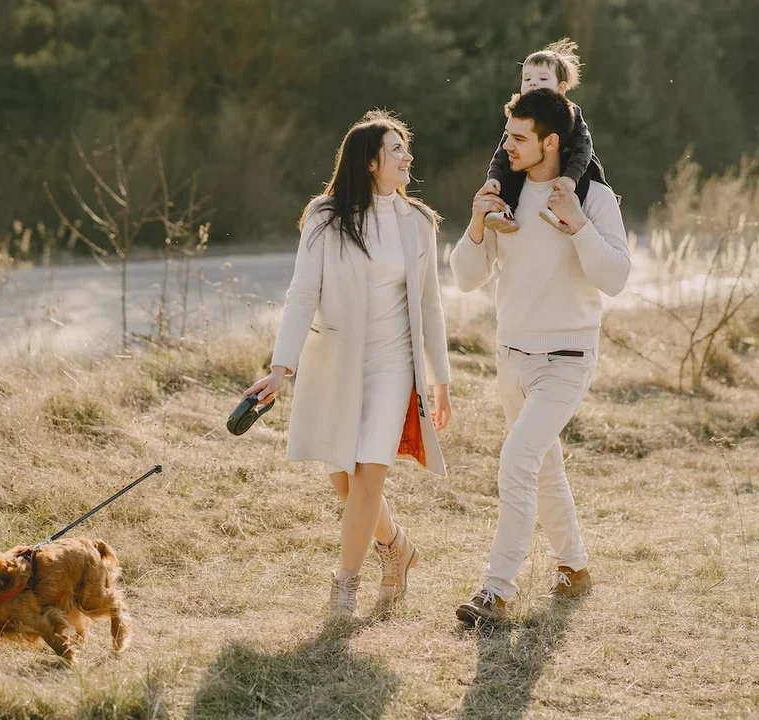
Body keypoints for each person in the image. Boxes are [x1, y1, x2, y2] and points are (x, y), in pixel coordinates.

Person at [243, 110, 452, 623]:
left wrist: (440, 381)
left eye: (406, 147)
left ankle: (345, 587)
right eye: (397, 149)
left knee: (369, 473)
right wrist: (280, 368)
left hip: (393, 363)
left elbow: (430, 305)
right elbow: (301, 293)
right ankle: (397, 545)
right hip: (335, 360)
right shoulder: (325, 216)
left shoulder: (418, 223)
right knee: (343, 478)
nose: (408, 157)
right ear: (370, 161)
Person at [450, 88, 630, 626]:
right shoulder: (504, 191)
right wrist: (477, 222)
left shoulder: (592, 195)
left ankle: (496, 591)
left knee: (518, 461)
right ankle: (574, 567)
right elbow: (465, 278)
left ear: (551, 142)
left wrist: (578, 223)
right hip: (510, 357)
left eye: (518, 138)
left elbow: (616, 278)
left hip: (567, 359)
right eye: (508, 135)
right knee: (544, 468)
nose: (506, 146)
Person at [483, 38, 613, 234]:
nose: (533, 83)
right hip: (532, 166)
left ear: (561, 88)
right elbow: (502, 152)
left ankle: (563, 213)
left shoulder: (570, 113)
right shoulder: (519, 114)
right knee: (512, 169)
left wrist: (570, 178)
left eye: (543, 79)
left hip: (573, 163)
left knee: (583, 175)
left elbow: (583, 147)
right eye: (527, 79)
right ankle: (506, 211)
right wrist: (493, 177)